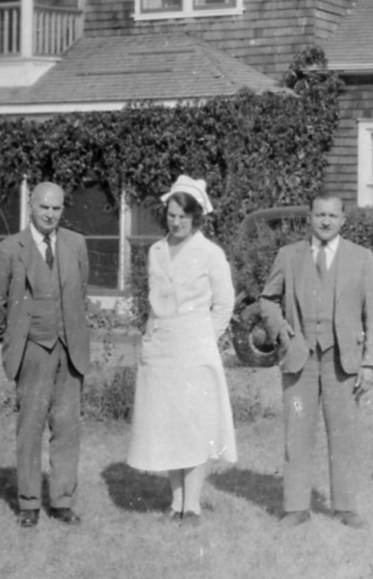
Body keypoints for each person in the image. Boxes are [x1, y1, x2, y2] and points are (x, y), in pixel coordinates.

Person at [258, 192, 373, 528]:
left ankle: (344, 506)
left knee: (343, 434)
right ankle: (296, 506)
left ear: (344, 219)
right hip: (300, 358)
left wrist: (370, 363)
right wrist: (282, 332)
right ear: (309, 218)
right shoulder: (289, 256)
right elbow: (267, 300)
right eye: (319, 215)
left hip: (343, 361)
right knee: (297, 432)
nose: (325, 221)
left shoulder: (361, 258)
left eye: (332, 215)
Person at [126, 176, 238, 525]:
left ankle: (193, 506)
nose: (176, 222)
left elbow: (224, 303)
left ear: (196, 218)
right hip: (161, 349)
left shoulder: (210, 254)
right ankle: (176, 503)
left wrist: (205, 336)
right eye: (171, 215)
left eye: (183, 217)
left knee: (194, 425)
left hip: (195, 349)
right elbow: (154, 303)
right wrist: (149, 337)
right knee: (168, 425)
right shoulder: (155, 252)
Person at [0, 182, 91, 528]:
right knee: (29, 427)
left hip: (69, 350)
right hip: (32, 350)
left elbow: (80, 292)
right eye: (44, 207)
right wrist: (17, 339)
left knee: (67, 427)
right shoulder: (9, 249)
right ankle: (29, 503)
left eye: (56, 208)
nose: (50, 214)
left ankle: (62, 501)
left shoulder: (76, 244)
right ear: (31, 205)